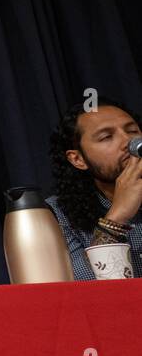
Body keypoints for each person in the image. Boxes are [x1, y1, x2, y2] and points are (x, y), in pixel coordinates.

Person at [47, 98, 142, 280]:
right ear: (78, 159)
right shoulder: (58, 215)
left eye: (132, 131)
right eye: (106, 137)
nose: (128, 141)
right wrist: (116, 217)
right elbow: (90, 291)